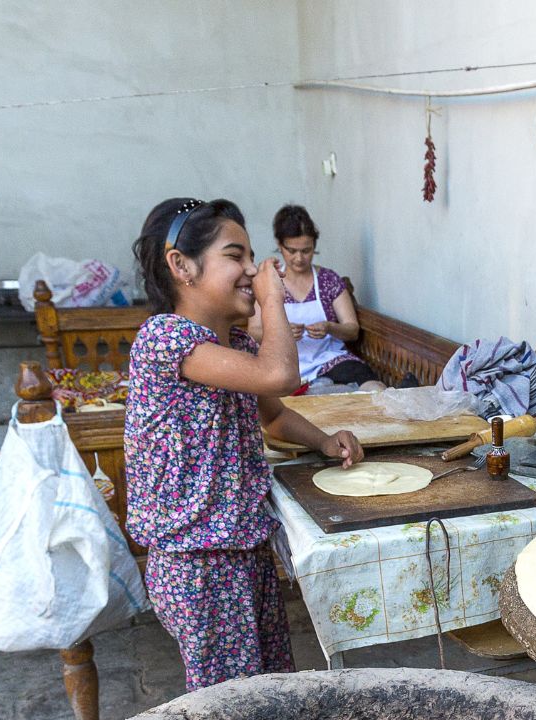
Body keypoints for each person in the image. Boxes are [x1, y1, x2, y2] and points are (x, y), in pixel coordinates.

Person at [125, 197, 364, 691]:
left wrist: (322, 441)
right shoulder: (164, 338)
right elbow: (279, 376)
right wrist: (274, 298)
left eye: (253, 257)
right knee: (233, 708)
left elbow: (273, 414)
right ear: (181, 266)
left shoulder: (235, 347)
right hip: (198, 559)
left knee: (269, 687)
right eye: (236, 256)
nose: (253, 270)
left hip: (242, 548)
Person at [270, 204, 382, 393]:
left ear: (314, 246)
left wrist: (330, 327)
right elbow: (255, 331)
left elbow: (352, 329)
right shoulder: (270, 281)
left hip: (328, 360)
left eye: (306, 251)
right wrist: (282, 332)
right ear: (280, 246)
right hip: (284, 363)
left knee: (373, 388)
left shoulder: (328, 280)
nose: (299, 258)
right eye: (292, 251)